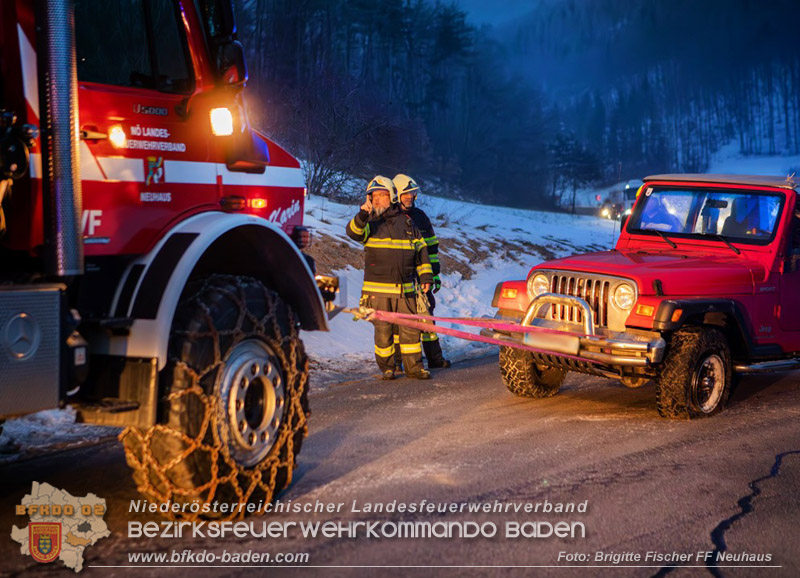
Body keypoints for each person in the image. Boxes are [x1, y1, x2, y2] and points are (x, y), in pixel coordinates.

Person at [346, 175, 434, 380]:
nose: (377, 199)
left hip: (406, 289)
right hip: (378, 292)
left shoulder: (408, 222)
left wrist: (426, 277)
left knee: (410, 329)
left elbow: (421, 250)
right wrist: (363, 213)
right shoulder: (370, 222)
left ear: (392, 196)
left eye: (381, 195)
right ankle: (387, 367)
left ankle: (414, 368)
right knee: (383, 331)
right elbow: (353, 232)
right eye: (373, 196)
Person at [392, 174, 451, 369]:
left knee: (427, 316)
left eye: (412, 193)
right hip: (399, 277)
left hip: (421, 277)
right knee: (398, 320)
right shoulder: (390, 218)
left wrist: (434, 275)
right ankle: (397, 362)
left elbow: (431, 249)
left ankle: (435, 358)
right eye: (406, 193)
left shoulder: (420, 217)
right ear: (396, 194)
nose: (410, 197)